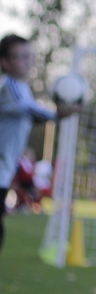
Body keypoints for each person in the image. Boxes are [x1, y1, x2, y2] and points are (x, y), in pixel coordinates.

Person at [0, 34, 80, 255]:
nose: (27, 61)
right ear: (4, 62)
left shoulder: (21, 88)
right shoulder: (10, 86)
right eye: (20, 56)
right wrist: (57, 114)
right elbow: (28, 109)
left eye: (29, 55)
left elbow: (27, 115)